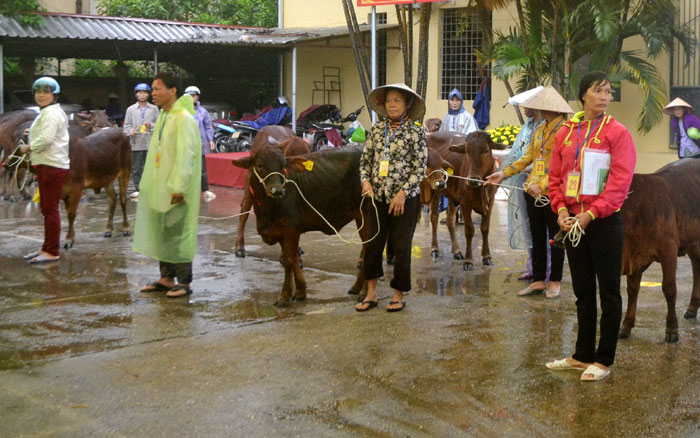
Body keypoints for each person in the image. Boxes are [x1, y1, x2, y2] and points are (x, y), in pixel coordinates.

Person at [546, 71, 636, 381]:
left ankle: (604, 360)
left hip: (603, 222)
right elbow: (555, 177)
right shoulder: (566, 132)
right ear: (584, 94)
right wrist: (560, 209)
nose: (605, 97)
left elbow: (620, 181)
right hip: (572, 222)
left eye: (609, 92)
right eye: (599, 91)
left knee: (609, 291)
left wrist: (592, 213)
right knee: (583, 290)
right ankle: (582, 355)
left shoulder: (618, 133)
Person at [487, 86, 573, 299]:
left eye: (539, 106)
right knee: (536, 236)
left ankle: (555, 281)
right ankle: (537, 280)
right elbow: (528, 158)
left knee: (555, 237)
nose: (535, 109)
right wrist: (503, 173)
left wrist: (543, 185)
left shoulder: (565, 131)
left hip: (552, 193)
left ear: (550, 108)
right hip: (531, 190)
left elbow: (563, 166)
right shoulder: (540, 129)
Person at [355, 83, 427, 312]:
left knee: (401, 247)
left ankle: (397, 294)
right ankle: (372, 293)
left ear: (407, 104)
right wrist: (365, 181)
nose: (392, 104)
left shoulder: (416, 132)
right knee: (373, 244)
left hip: (405, 200)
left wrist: (403, 194)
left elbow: (420, 168)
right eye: (389, 100)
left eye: (397, 100)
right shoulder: (377, 130)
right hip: (377, 197)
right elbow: (365, 161)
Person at [133, 72, 202, 298]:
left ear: (172, 90)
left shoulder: (184, 118)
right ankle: (166, 277)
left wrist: (179, 187)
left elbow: (187, 156)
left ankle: (183, 281)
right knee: (163, 229)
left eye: (156, 89)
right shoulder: (164, 116)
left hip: (176, 188)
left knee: (178, 230)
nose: (152, 93)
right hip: (160, 186)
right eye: (151, 89)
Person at [19, 77, 70, 264]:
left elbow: (46, 139)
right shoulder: (48, 112)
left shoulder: (51, 113)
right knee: (46, 208)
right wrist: (30, 134)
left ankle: (53, 250)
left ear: (54, 95)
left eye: (45, 92)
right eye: (38, 92)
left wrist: (28, 147)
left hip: (52, 165)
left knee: (50, 209)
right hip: (47, 165)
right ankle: (46, 247)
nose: (41, 95)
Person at [499, 106, 543, 281]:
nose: (525, 109)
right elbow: (523, 154)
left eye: (529, 106)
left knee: (542, 231)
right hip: (523, 179)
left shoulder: (549, 128)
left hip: (542, 185)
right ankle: (533, 267)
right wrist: (505, 172)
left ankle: (546, 272)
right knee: (527, 226)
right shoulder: (530, 126)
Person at [123, 83, 159, 199]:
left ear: (148, 94)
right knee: (137, 168)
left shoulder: (154, 108)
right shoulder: (131, 109)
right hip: (136, 143)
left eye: (144, 93)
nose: (142, 95)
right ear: (136, 94)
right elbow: (126, 126)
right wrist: (130, 131)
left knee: (151, 167)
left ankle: (152, 188)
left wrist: (150, 125)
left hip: (150, 142)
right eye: (139, 93)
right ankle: (138, 189)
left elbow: (160, 124)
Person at [185, 85, 216, 201]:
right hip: (185, 145)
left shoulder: (203, 112)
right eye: (189, 96)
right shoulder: (181, 111)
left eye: (193, 95)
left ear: (197, 97)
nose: (191, 98)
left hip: (200, 145)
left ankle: (205, 190)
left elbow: (208, 127)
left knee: (202, 169)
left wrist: (210, 140)